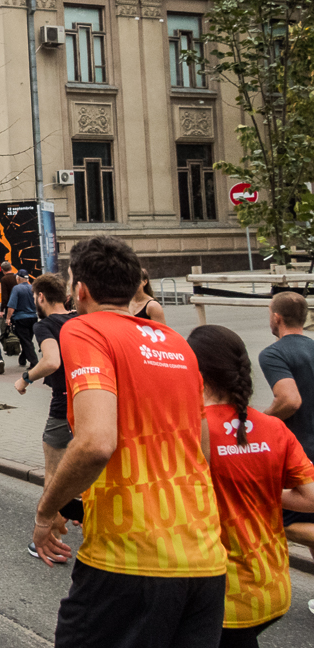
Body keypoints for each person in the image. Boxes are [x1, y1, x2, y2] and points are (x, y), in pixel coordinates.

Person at [32, 236, 227, 648]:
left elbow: (95, 443)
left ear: (80, 290)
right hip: (204, 559)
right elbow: (203, 447)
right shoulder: (176, 343)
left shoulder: (84, 329)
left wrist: (46, 511)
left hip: (129, 560)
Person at [188, 325, 314, 647]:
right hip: (273, 588)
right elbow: (311, 498)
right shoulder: (274, 427)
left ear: (196, 371)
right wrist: (265, 491)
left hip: (223, 595)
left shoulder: (190, 429)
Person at [14, 272, 79, 557]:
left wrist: (26, 378)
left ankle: (50, 538)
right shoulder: (80, 318)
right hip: (92, 401)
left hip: (63, 405)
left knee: (53, 472)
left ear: (40, 297)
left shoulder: (46, 325)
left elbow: (52, 361)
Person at [258, 290, 314, 563]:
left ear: (276, 317)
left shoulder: (274, 353)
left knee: (285, 523)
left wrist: (262, 421)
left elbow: (289, 400)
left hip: (300, 453)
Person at [3, 270, 39, 368]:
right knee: (27, 339)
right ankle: (22, 359)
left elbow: (12, 305)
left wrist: (8, 318)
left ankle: (34, 362)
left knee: (25, 341)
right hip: (33, 317)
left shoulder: (17, 289)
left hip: (21, 318)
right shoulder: (33, 288)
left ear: (18, 278)